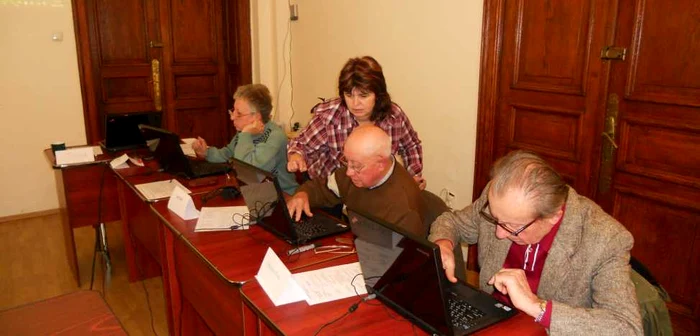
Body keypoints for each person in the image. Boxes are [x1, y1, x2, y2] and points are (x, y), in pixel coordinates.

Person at [429, 150, 643, 335]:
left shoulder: (605, 240)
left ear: (553, 217)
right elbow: (452, 222)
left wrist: (537, 306)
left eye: (511, 227)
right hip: (489, 321)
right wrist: (443, 243)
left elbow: (627, 328)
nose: (499, 234)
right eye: (495, 219)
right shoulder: (500, 201)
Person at [286, 56, 426, 189]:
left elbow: (411, 145)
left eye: (363, 96)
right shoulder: (330, 116)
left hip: (372, 187)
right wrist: (296, 156)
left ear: (378, 95)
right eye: (349, 95)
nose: (355, 103)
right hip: (331, 188)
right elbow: (300, 145)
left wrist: (413, 175)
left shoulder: (394, 116)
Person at [286, 125, 434, 237]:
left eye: (356, 166)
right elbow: (323, 188)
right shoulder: (356, 173)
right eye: (346, 161)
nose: (349, 172)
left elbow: (398, 262)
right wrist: (303, 194)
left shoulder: (403, 210)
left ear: (381, 164)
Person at [192, 84, 298, 194]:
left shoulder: (275, 137)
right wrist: (206, 153)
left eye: (239, 113)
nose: (232, 117)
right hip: (256, 193)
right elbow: (229, 153)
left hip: (283, 197)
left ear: (256, 117)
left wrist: (245, 134)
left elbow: (247, 171)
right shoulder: (245, 132)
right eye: (233, 110)